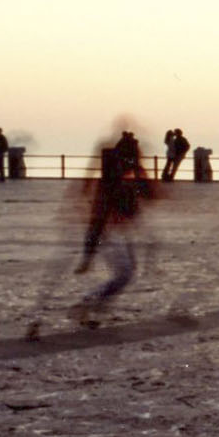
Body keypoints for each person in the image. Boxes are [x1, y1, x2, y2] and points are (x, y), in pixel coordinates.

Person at [71, 138, 154, 325]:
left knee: (128, 272)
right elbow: (100, 216)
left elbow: (139, 201)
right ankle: (89, 302)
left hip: (116, 232)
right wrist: (88, 253)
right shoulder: (114, 181)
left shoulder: (122, 178)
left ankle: (97, 305)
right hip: (108, 234)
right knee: (124, 274)